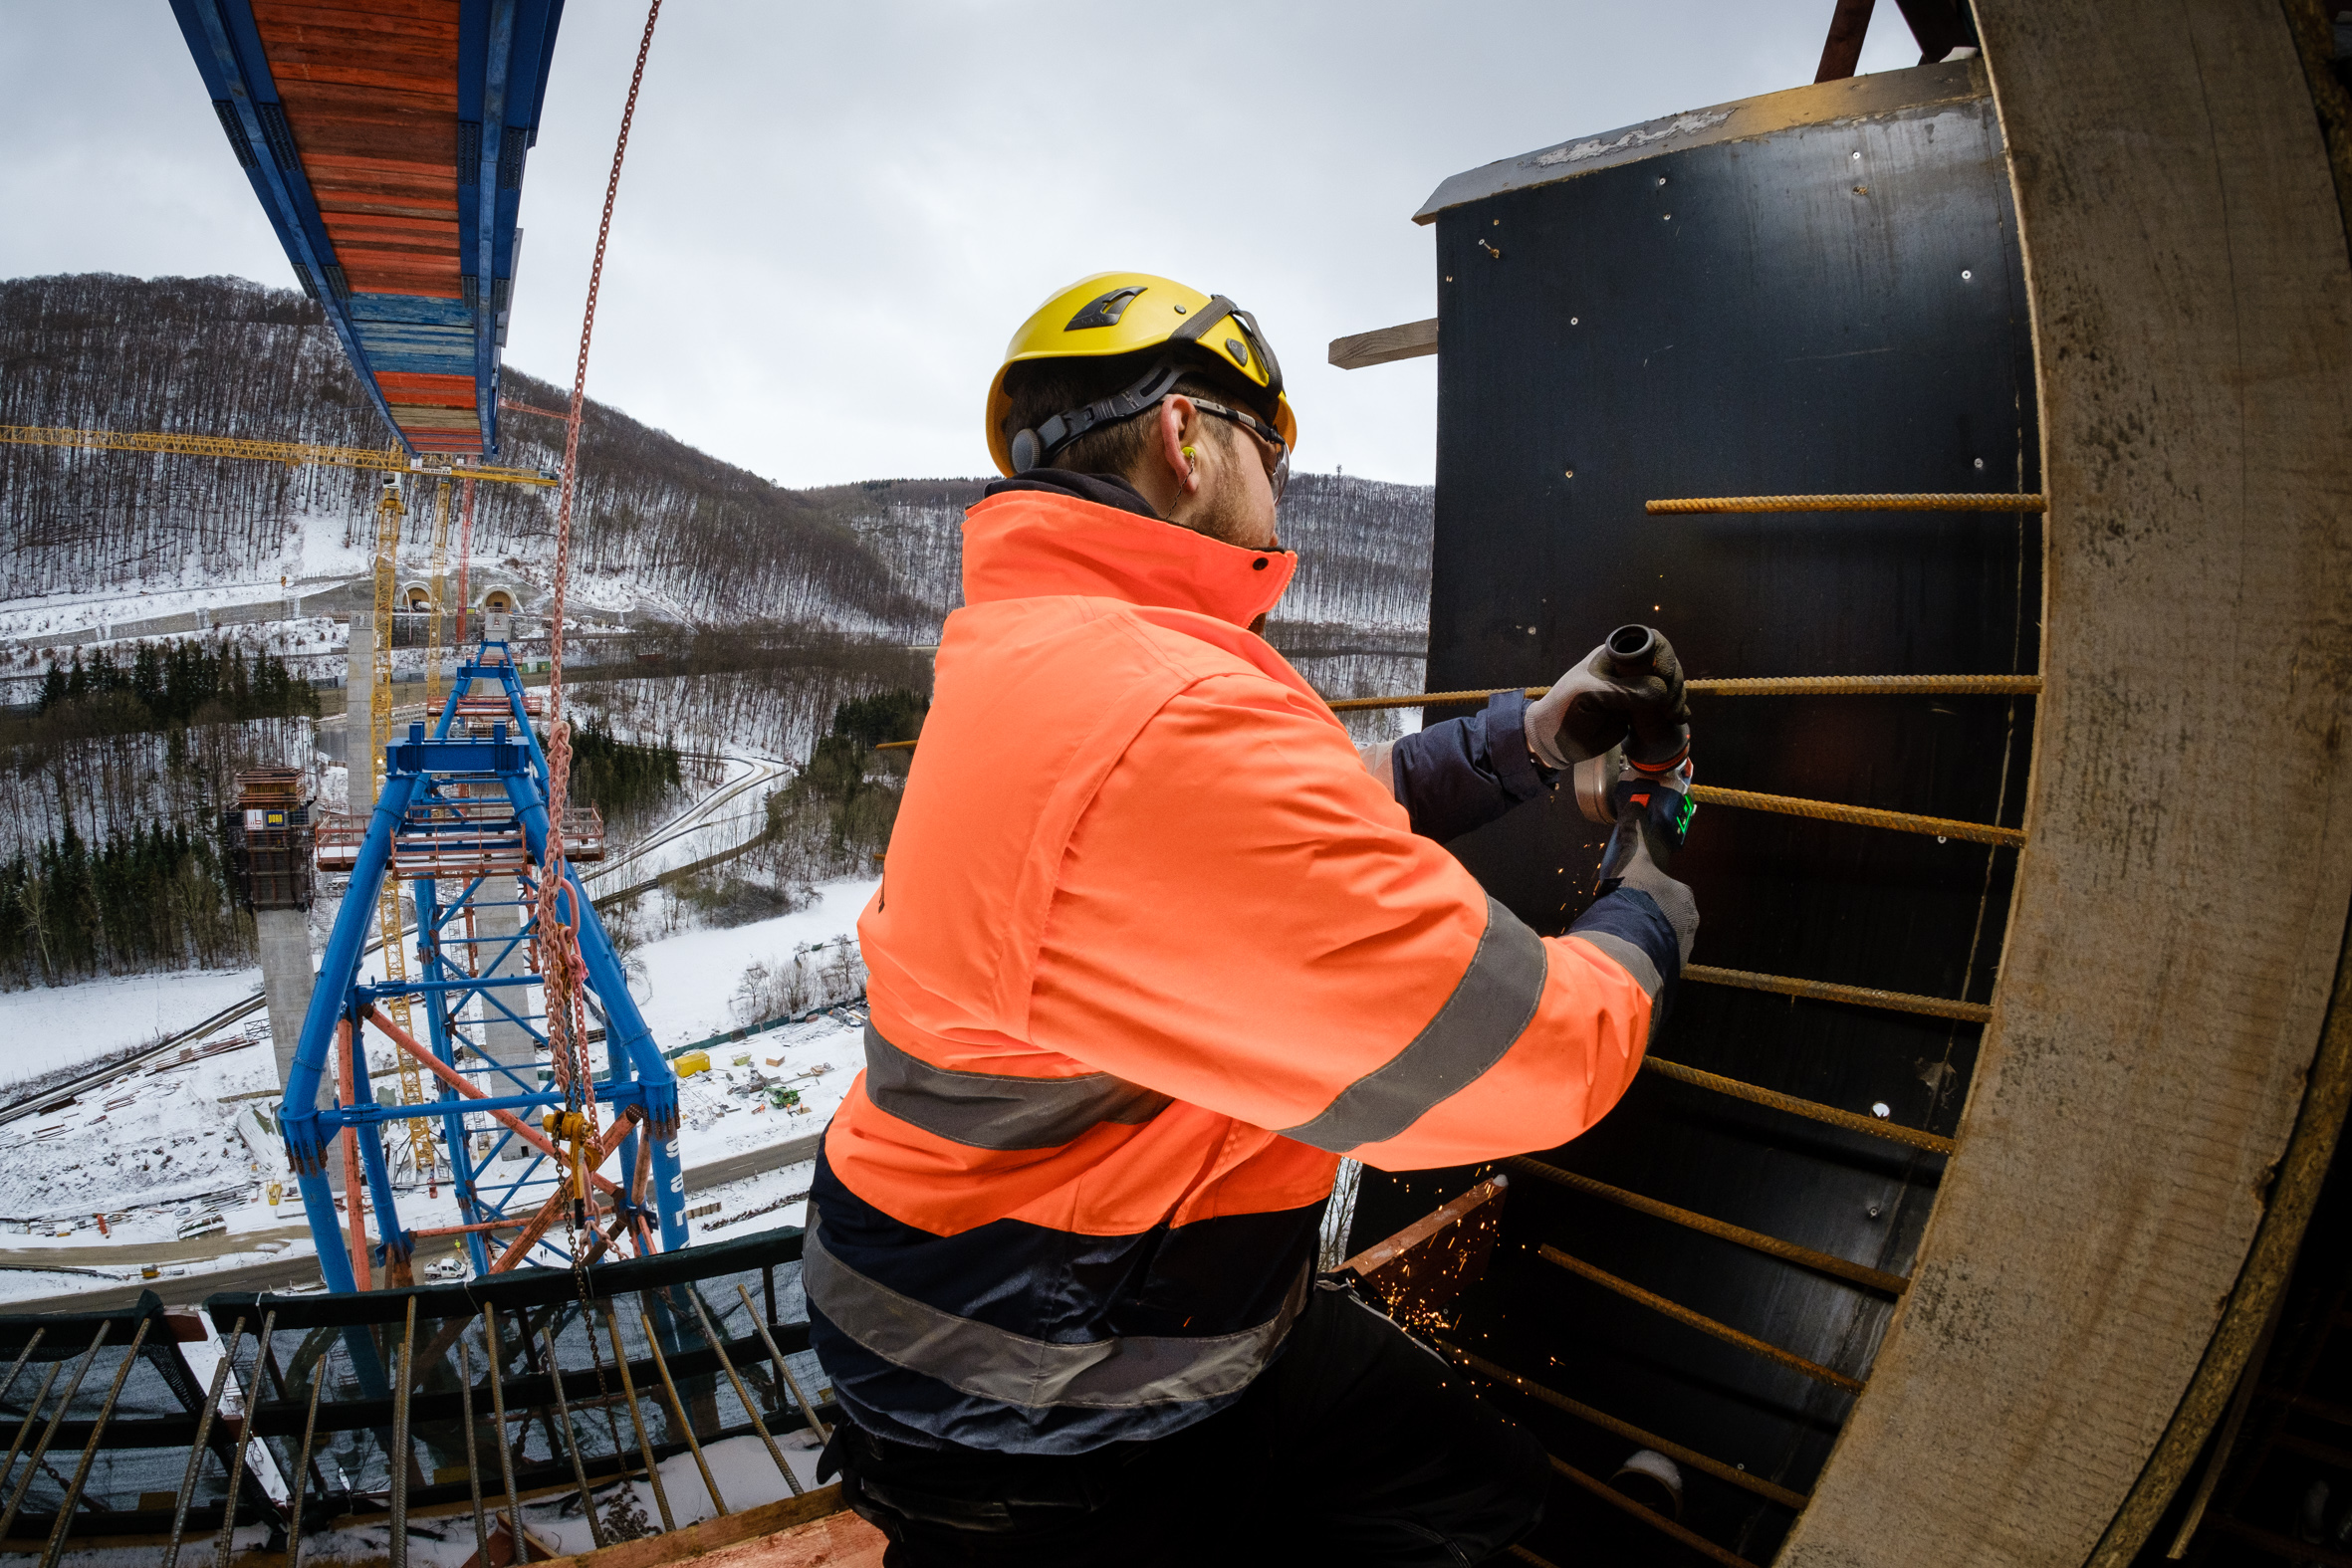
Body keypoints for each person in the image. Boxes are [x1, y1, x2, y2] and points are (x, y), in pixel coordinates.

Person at [805, 272, 1699, 1565]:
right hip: (1044, 1390)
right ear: (1185, 439)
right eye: (1271, 456)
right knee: (1432, 1498)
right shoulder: (1156, 713)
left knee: (1462, 1476)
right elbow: (1530, 1064)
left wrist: (1521, 741)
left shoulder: (1060, 653)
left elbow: (1262, 849)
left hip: (999, 1296)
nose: (1280, 493)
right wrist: (1648, 907)